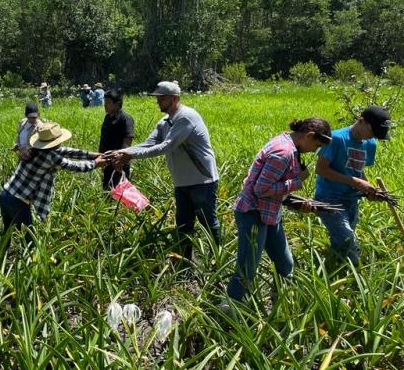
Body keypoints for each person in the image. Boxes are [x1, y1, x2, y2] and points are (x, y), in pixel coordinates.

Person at [107, 81, 220, 260]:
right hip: (182, 182)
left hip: (201, 181)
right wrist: (123, 151)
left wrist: (130, 156)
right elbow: (149, 143)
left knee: (208, 223)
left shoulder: (185, 117)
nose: (157, 101)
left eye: (161, 98)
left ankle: (216, 259)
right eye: (157, 98)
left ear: (174, 98)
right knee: (183, 225)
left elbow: (165, 147)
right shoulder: (165, 121)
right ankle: (186, 263)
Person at [226, 118, 332, 303]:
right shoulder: (283, 152)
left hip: (269, 213)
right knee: (247, 270)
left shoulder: (290, 144)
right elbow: (261, 189)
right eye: (316, 145)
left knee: (285, 264)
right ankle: (228, 312)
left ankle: (280, 303)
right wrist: (297, 182)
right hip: (253, 213)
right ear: (308, 135)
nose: (314, 151)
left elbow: (274, 187)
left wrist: (297, 201)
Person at [0, 122, 106, 242]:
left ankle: (3, 254)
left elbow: (67, 151)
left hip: (5, 194)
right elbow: (74, 166)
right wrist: (96, 163)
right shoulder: (51, 157)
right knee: (30, 241)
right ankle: (30, 258)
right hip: (18, 201)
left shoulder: (33, 149)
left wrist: (92, 155)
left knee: (7, 233)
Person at [314, 105, 391, 265]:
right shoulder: (336, 138)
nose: (373, 137)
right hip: (329, 198)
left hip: (351, 198)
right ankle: (357, 275)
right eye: (372, 131)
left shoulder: (370, 144)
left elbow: (358, 170)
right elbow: (320, 169)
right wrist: (353, 181)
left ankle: (335, 267)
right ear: (361, 121)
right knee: (348, 239)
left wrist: (369, 189)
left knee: (342, 241)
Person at [99, 89, 134, 190]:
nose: (105, 105)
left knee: (120, 191)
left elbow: (128, 141)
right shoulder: (107, 117)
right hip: (107, 160)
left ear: (117, 104)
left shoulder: (125, 119)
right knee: (107, 191)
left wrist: (120, 160)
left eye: (108, 103)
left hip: (119, 162)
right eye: (104, 102)